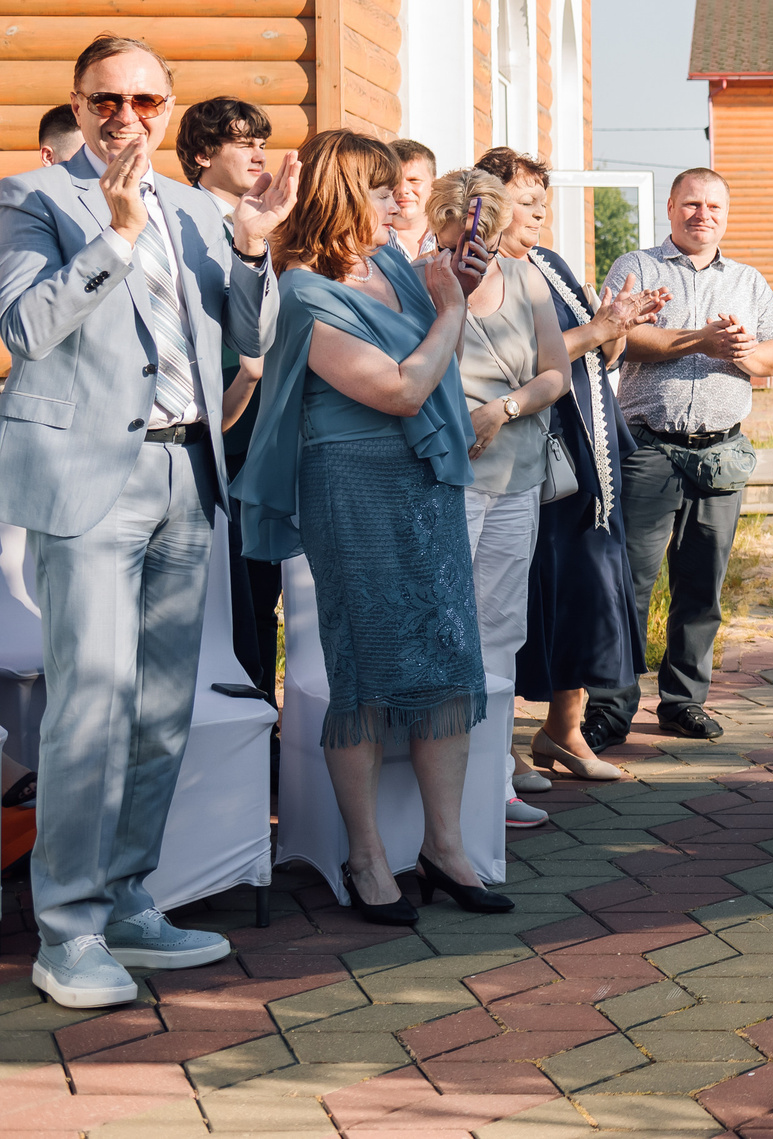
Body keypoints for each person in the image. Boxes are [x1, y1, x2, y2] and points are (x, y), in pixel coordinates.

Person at [0, 35, 297, 1009]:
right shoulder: (32, 199)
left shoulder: (193, 210)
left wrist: (252, 246)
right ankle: (68, 929)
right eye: (106, 102)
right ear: (79, 107)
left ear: (169, 110)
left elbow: (245, 342)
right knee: (90, 704)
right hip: (88, 479)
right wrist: (115, 238)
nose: (126, 118)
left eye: (144, 101)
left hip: (187, 471)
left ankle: (127, 899)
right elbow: (26, 330)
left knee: (162, 710)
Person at [234, 132, 512, 927]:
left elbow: (438, 362)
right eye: (384, 188)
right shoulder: (301, 287)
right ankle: (364, 855)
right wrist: (450, 310)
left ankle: (447, 847)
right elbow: (398, 386)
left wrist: (455, 288)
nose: (403, 201)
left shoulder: (394, 264)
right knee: (368, 661)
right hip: (351, 481)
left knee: (449, 652)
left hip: (424, 476)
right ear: (342, 193)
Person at [473, 148, 665, 787]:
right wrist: (596, 331)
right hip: (532, 452)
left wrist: (617, 328)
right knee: (526, 598)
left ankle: (564, 730)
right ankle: (498, 747)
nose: (539, 212)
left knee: (589, 589)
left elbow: (597, 349)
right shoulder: (481, 272)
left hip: (591, 447)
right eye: (525, 201)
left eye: (541, 201)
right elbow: (525, 361)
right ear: (489, 203)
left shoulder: (550, 265)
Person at [590, 169, 773, 747]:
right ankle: (611, 705)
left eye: (714, 207)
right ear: (671, 208)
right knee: (628, 583)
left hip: (719, 453)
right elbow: (620, 340)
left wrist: (744, 352)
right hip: (648, 449)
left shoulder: (748, 281)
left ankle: (682, 701)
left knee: (701, 588)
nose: (702, 215)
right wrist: (702, 340)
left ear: (727, 214)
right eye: (691, 204)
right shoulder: (637, 267)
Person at [426, 168, 570, 829]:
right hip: (444, 481)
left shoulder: (528, 279)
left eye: (483, 232)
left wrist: (501, 410)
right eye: (459, 234)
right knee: (446, 628)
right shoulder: (421, 278)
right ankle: (438, 796)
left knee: (501, 632)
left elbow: (555, 375)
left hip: (514, 477)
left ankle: (495, 781)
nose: (472, 246)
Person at [174, 95, 284, 688]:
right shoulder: (182, 221)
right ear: (199, 153)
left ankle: (261, 716)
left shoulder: (271, 221)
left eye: (259, 140)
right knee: (229, 593)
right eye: (241, 141)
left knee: (261, 589)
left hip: (267, 429)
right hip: (216, 428)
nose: (256, 152)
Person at [385, 140, 437, 262]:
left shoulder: (451, 240)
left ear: (434, 185)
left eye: (414, 180)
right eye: (394, 181)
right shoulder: (367, 244)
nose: (403, 190)